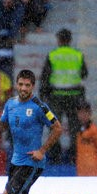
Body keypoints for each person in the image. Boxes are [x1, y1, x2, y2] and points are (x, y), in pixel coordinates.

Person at [39, 28, 88, 164]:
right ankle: (74, 156)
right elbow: (84, 73)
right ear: (70, 40)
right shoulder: (77, 54)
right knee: (74, 127)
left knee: (55, 126)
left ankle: (55, 156)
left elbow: (45, 76)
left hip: (57, 95)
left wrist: (42, 95)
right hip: (74, 95)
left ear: (59, 40)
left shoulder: (53, 54)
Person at [74, 100, 97, 176]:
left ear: (90, 113)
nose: (83, 115)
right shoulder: (78, 131)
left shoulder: (94, 130)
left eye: (85, 112)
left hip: (94, 171)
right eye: (80, 113)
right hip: (81, 170)